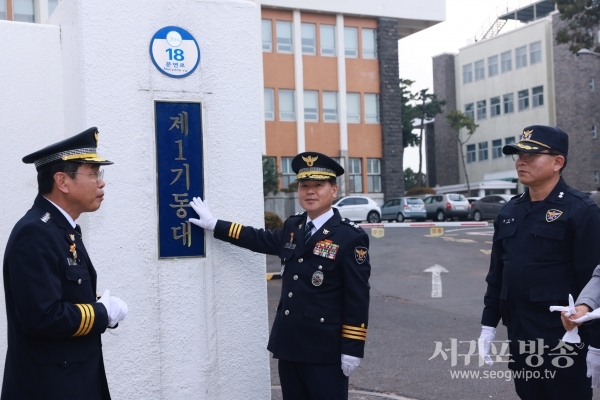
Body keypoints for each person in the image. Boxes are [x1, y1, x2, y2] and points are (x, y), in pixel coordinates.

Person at [189, 152, 371, 400]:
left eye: (318, 185)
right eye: (304, 185)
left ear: (334, 190)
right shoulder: (293, 227)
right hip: (290, 345)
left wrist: (352, 347)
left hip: (324, 350)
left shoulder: (350, 237)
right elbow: (259, 239)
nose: (310, 192)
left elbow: (357, 296)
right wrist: (214, 224)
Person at [1, 127, 128, 400]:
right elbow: (42, 317)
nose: (101, 182)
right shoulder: (34, 233)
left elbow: (65, 293)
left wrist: (97, 305)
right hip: (47, 388)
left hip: (73, 383)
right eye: (93, 174)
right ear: (62, 181)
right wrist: (102, 314)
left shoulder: (64, 230)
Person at [478, 125, 600, 399]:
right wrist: (488, 326)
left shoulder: (581, 211)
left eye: (531, 156)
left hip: (566, 339)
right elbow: (497, 275)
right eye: (519, 155)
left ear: (558, 162)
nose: (521, 161)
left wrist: (596, 344)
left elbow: (595, 281)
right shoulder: (510, 211)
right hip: (521, 336)